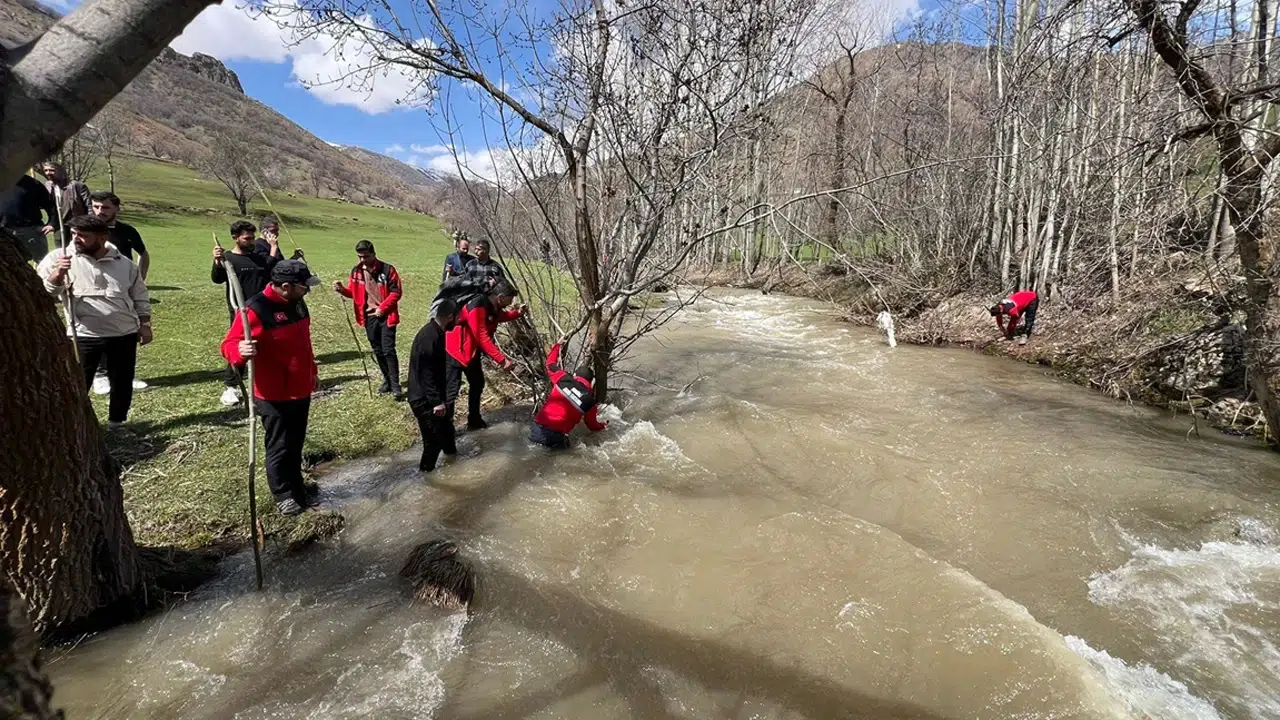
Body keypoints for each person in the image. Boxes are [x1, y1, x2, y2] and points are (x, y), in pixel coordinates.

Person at [220, 260, 320, 516]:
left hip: (300, 388)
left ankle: (297, 487)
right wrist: (239, 351)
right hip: (273, 394)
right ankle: (283, 494)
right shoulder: (255, 310)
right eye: (303, 286)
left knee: (296, 442)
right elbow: (228, 344)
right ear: (286, 287)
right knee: (280, 445)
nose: (307, 290)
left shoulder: (297, 303)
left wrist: (313, 372)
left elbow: (305, 343)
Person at [37, 215, 153, 429]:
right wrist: (58, 273)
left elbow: (140, 296)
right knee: (78, 382)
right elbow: (44, 293)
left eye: (83, 235)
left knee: (122, 381)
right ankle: (75, 425)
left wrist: (145, 324)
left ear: (102, 238)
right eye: (74, 234)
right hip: (83, 335)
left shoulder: (125, 264)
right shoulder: (59, 258)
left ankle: (117, 422)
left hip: (124, 333)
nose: (76, 239)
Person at [213, 220, 282, 406]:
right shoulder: (228, 258)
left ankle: (265, 383)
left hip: (263, 310)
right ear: (235, 238)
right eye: (247, 238)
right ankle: (231, 386)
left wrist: (273, 248)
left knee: (264, 345)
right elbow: (217, 278)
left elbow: (269, 268)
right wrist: (217, 261)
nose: (251, 241)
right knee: (241, 347)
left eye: (252, 237)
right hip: (241, 312)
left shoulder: (256, 257)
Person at [90, 190, 151, 395]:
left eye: (105, 207)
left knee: (127, 331)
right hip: (97, 290)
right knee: (99, 330)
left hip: (124, 290)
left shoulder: (127, 231)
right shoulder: (85, 231)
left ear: (116, 208)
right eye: (96, 207)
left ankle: (125, 374)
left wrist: (140, 279)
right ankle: (100, 375)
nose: (100, 211)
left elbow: (143, 254)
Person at [445, 278, 526, 430]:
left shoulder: (493, 306)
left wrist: (517, 313)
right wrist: (502, 360)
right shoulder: (477, 306)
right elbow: (481, 336)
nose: (511, 303)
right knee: (451, 390)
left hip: (471, 351)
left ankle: (474, 420)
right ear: (500, 297)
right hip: (456, 350)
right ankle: (446, 427)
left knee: (477, 384)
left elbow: (498, 317)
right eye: (509, 299)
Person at [334, 240, 404, 399]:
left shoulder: (388, 269)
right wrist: (342, 290)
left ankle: (396, 385)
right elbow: (354, 293)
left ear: (373, 254)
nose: (362, 260)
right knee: (378, 351)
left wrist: (383, 308)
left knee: (388, 350)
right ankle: (387, 380)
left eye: (365, 256)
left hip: (386, 315)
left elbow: (396, 292)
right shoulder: (356, 271)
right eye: (360, 257)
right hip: (368, 317)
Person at [407, 298, 460, 472]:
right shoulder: (428, 338)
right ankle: (425, 476)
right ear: (450, 317)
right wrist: (436, 402)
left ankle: (455, 467)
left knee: (447, 434)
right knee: (433, 443)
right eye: (457, 318)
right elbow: (426, 374)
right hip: (424, 400)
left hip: (433, 397)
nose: (458, 322)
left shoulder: (437, 333)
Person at [529, 340, 608, 449]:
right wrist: (603, 425)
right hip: (556, 437)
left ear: (575, 375)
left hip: (537, 429)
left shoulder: (563, 378)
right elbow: (592, 425)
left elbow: (550, 364)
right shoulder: (589, 401)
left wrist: (557, 345)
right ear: (590, 383)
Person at [0, 172, 56, 262]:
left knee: (43, 264)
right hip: (4, 233)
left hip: (31, 231)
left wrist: (52, 223)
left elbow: (51, 206)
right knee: (9, 266)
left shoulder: (32, 183)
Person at [42, 161, 91, 246]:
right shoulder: (48, 186)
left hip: (77, 224)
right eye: (46, 170)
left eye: (52, 170)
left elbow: (90, 205)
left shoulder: (77, 186)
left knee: (78, 247)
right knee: (60, 249)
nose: (48, 173)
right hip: (59, 225)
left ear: (61, 171)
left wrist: (90, 223)